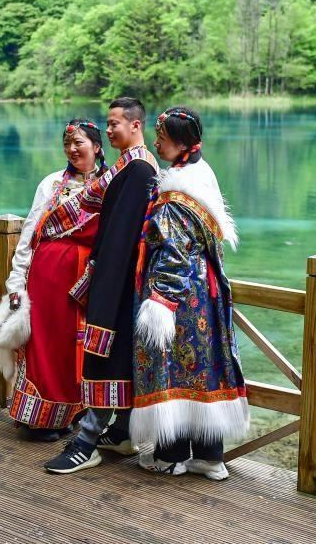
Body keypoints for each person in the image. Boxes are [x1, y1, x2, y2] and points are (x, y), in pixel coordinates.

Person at [130, 107, 249, 480]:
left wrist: (160, 299)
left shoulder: (176, 190)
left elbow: (175, 251)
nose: (155, 143)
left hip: (177, 292)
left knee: (173, 365)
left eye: (162, 138)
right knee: (204, 364)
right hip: (205, 287)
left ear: (181, 142)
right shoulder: (202, 172)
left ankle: (172, 455)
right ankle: (211, 457)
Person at [44, 97, 158, 474]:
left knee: (105, 353)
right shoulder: (130, 164)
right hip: (119, 276)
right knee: (119, 354)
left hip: (120, 279)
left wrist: (103, 284)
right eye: (106, 124)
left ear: (135, 125)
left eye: (114, 124)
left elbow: (121, 235)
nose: (108, 130)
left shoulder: (138, 169)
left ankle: (87, 442)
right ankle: (122, 432)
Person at [0, 119, 108, 442]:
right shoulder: (52, 184)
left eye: (79, 143)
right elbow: (29, 235)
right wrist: (16, 284)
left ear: (97, 147)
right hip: (46, 279)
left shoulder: (110, 186)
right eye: (67, 144)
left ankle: (72, 413)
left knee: (75, 346)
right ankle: (38, 419)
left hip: (84, 281)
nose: (72, 149)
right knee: (43, 346)